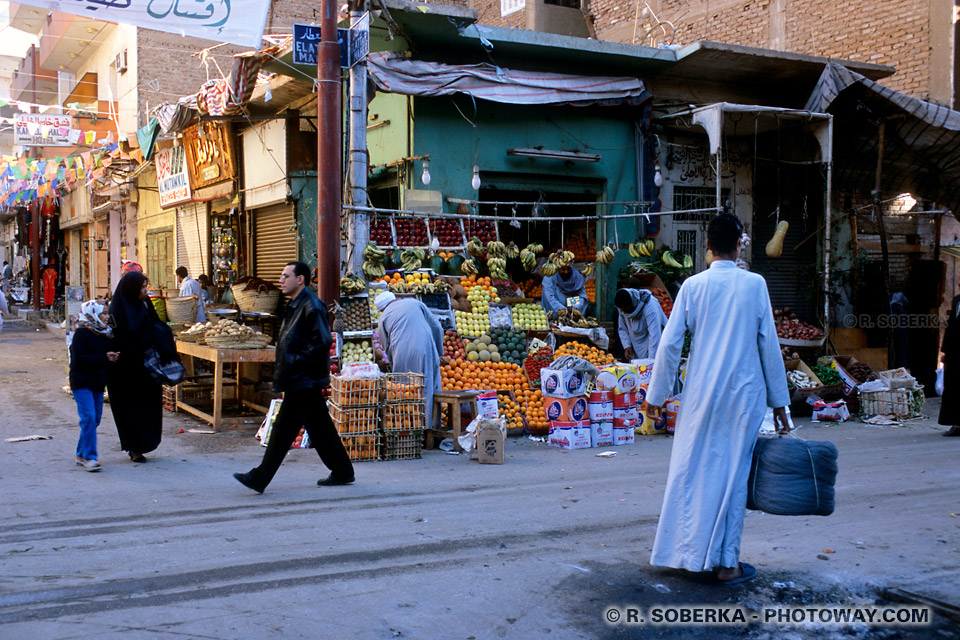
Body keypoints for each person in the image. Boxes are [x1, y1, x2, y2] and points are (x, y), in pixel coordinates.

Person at [644, 213, 790, 585]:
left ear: (707, 245)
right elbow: (768, 345)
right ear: (740, 243)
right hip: (744, 397)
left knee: (691, 472)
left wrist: (655, 397)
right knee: (733, 476)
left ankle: (684, 554)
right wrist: (780, 403)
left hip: (701, 395)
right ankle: (728, 564)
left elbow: (671, 343)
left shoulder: (693, 287)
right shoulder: (755, 284)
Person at [234, 261, 355, 493]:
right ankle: (343, 470)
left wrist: (295, 361)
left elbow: (323, 341)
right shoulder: (295, 305)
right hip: (300, 380)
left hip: (303, 379)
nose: (281, 280)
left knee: (282, 430)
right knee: (320, 428)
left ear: (300, 279)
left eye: (286, 276)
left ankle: (260, 477)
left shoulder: (312, 305)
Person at [107, 271, 164, 463]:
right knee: (129, 409)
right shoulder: (117, 310)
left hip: (146, 367)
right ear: (132, 289)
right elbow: (115, 339)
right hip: (124, 370)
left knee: (148, 406)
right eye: (142, 287)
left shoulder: (145, 305)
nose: (145, 290)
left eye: (145, 286)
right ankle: (134, 447)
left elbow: (157, 326)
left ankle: (146, 442)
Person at [374, 292, 444, 429]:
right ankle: (431, 429)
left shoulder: (383, 317)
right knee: (430, 387)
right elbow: (437, 326)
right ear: (396, 299)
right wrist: (438, 351)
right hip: (426, 348)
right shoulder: (415, 303)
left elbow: (385, 345)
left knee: (405, 390)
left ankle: (410, 429)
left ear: (382, 308)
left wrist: (393, 363)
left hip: (402, 352)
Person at [70, 300, 120, 472]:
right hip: (81, 381)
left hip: (98, 383)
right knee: (89, 418)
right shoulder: (82, 334)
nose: (107, 317)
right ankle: (90, 458)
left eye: (107, 313)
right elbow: (79, 360)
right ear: (92, 315)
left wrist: (113, 357)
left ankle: (80, 453)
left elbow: (105, 357)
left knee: (95, 419)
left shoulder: (106, 334)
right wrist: (104, 357)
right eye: (103, 314)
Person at [615, 288, 668, 360]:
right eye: (622, 310)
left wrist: (651, 361)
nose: (624, 312)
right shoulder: (622, 309)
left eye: (626, 309)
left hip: (652, 343)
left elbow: (655, 336)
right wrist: (627, 345)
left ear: (632, 303)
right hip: (636, 345)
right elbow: (622, 328)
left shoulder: (651, 306)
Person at [938, 291, 960, 437]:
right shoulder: (957, 300)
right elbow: (951, 326)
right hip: (954, 353)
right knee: (953, 388)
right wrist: (944, 351)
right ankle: (956, 423)